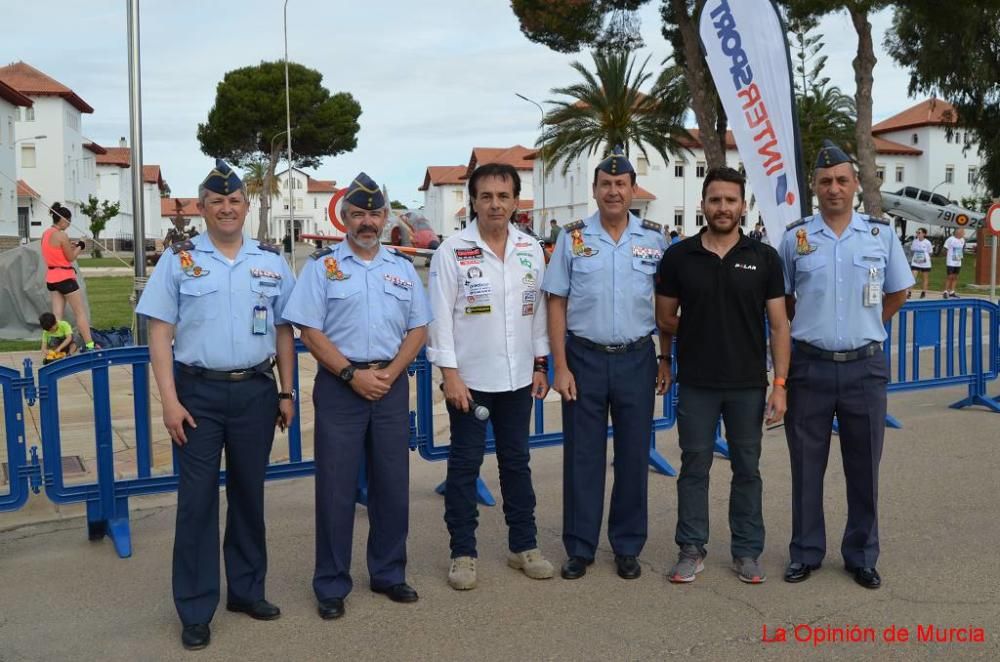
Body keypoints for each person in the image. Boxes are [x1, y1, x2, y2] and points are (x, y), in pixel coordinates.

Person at [136, 159, 297, 651]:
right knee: (197, 503)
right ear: (202, 208)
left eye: (234, 201)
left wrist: (287, 392)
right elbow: (159, 331)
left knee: (250, 495)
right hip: (197, 394)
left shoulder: (270, 261)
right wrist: (168, 402)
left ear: (246, 207)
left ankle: (247, 592)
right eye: (216, 202)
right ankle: (195, 606)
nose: (226, 209)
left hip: (255, 390)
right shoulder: (179, 260)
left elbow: (285, 328)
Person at [281, 172, 431, 620]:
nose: (367, 222)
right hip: (340, 387)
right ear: (344, 217)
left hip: (389, 385)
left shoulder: (402, 268)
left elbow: (419, 327)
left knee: (391, 485)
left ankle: (388, 572)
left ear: (386, 218)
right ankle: (331, 583)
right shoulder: (323, 267)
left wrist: (389, 374)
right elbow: (308, 328)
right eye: (358, 213)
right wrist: (350, 374)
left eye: (375, 213)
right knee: (336, 488)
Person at [779, 140, 913, 590]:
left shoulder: (881, 235)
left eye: (841, 180)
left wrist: (870, 324)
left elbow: (898, 292)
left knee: (864, 466)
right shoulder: (796, 238)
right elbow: (783, 301)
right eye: (824, 182)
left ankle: (861, 554)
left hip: (864, 368)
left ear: (855, 184)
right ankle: (806, 551)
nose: (833, 188)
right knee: (805, 465)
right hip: (810, 368)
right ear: (814, 188)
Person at [655, 167, 790, 585]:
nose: (723, 207)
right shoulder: (679, 256)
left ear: (742, 206)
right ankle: (691, 549)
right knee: (694, 466)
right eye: (715, 200)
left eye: (731, 200)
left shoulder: (764, 257)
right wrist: (692, 334)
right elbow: (664, 316)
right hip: (696, 382)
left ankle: (747, 551)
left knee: (747, 468)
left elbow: (780, 325)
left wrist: (781, 385)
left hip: (748, 384)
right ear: (703, 205)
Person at [541, 145, 669, 581]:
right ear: (593, 191)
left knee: (635, 455)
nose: (613, 191)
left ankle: (628, 546)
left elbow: (667, 306)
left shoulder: (654, 238)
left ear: (633, 189)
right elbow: (556, 302)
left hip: (636, 358)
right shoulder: (572, 238)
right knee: (583, 456)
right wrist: (560, 365)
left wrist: (665, 356)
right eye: (605, 184)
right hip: (584, 359)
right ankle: (579, 547)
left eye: (621, 184)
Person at [427, 163, 553, 591]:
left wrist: (540, 365)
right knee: (465, 467)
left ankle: (524, 546)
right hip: (470, 381)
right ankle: (463, 553)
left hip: (518, 378)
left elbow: (536, 313)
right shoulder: (452, 251)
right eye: (486, 196)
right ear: (473, 202)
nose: (495, 204)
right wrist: (450, 375)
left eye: (503, 196)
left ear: (515, 201)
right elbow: (439, 317)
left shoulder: (530, 248)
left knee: (517, 463)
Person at [41, 202, 95, 350]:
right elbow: (71, 258)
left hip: (51, 278)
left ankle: (56, 344)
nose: (69, 225)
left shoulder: (45, 234)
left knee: (57, 316)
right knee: (80, 313)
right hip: (65, 278)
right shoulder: (62, 235)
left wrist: (72, 245)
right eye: (69, 222)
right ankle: (90, 345)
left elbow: (56, 250)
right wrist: (81, 246)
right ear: (63, 220)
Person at [908, 228, 932, 299]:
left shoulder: (927, 242)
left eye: (919, 232)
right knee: (913, 277)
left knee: (924, 278)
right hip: (916, 262)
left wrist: (926, 258)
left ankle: (923, 292)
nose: (918, 234)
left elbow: (930, 252)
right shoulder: (915, 241)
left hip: (925, 263)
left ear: (924, 234)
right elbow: (912, 250)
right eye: (917, 232)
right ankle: (909, 292)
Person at [943, 228, 966, 298]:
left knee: (955, 277)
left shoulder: (962, 240)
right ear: (957, 232)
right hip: (951, 262)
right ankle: (945, 291)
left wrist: (961, 256)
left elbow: (962, 249)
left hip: (958, 262)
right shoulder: (950, 239)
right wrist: (948, 256)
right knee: (950, 276)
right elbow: (945, 249)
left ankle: (952, 292)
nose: (964, 234)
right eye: (962, 232)